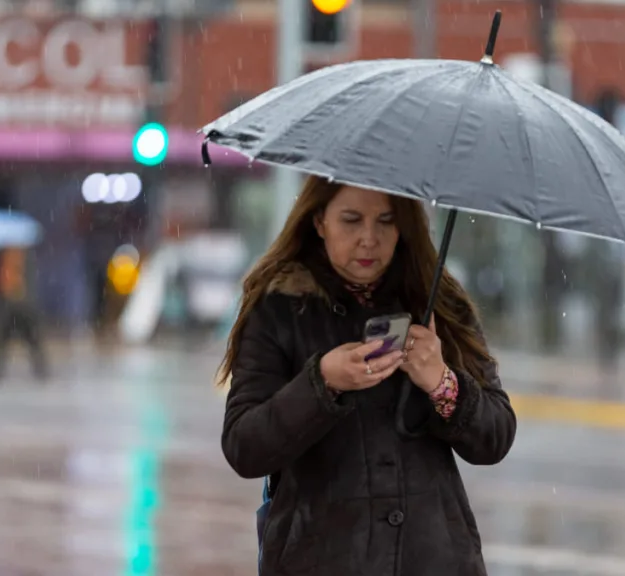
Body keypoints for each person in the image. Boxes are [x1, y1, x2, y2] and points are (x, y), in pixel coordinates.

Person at [217, 176, 517, 576]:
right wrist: (322, 382)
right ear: (320, 220)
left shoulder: (437, 301)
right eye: (352, 220)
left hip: (432, 558)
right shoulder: (280, 307)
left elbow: (495, 437)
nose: (369, 239)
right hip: (320, 558)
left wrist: (442, 382)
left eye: (386, 221)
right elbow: (244, 446)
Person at [0, 247, 48, 382]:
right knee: (4, 340)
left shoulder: (21, 257)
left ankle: (40, 367)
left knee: (30, 339)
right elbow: (2, 283)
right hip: (13, 305)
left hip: (20, 305)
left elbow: (13, 282)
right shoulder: (8, 257)